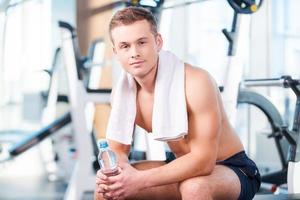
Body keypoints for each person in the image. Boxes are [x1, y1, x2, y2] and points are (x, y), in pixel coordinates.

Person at [95, 6, 261, 200]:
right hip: (180, 164)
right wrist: (115, 174)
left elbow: (204, 161)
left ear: (158, 42)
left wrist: (138, 180)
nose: (134, 53)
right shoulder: (123, 94)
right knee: (107, 188)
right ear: (115, 52)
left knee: (195, 188)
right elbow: (117, 151)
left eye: (141, 42)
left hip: (231, 168)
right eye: (125, 46)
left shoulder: (195, 82)